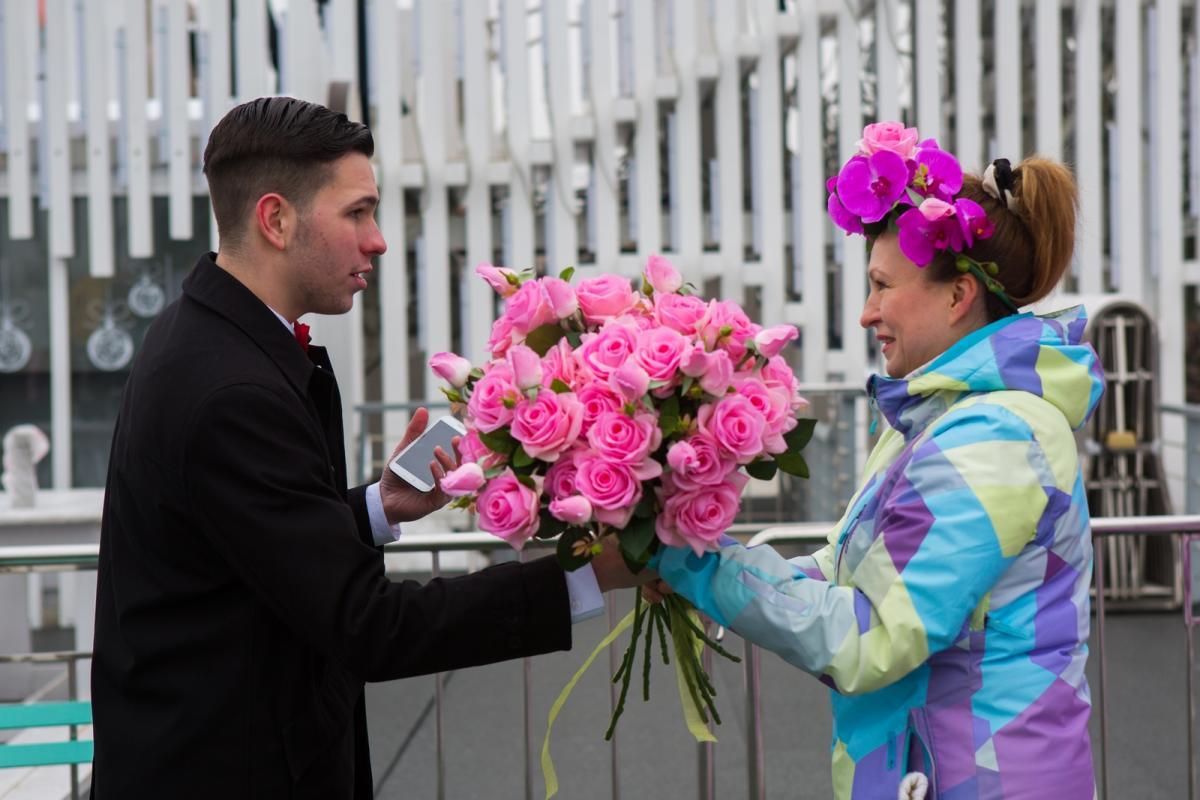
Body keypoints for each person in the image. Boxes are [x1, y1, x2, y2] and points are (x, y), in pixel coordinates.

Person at [90, 96, 643, 799]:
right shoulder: (232, 389)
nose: (378, 239)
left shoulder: (205, 338)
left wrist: (379, 508)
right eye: (357, 212)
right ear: (275, 219)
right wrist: (588, 570)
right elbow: (370, 625)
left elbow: (252, 547)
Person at [646, 125, 1104, 798]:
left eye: (882, 285)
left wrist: (690, 563)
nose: (866, 313)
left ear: (958, 297)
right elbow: (845, 574)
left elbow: (869, 637)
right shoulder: (943, 419)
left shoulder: (991, 439)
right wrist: (696, 561)